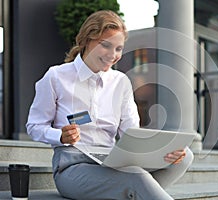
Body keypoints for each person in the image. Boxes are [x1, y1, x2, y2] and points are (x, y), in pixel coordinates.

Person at [26, 10, 194, 200]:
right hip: (73, 167)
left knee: (183, 157)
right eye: (106, 46)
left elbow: (131, 133)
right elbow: (34, 126)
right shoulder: (56, 76)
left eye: (119, 48)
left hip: (113, 161)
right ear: (86, 41)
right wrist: (60, 136)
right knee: (137, 178)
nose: (112, 55)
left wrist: (155, 150)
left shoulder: (120, 82)